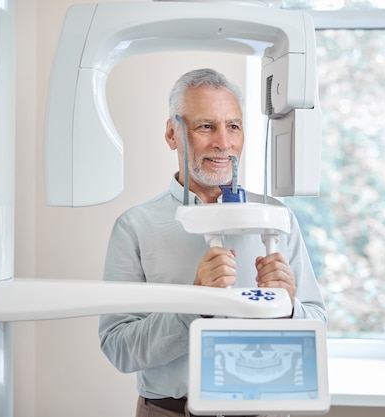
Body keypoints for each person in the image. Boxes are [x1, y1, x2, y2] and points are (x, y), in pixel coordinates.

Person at [98, 68, 327, 417]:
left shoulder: (275, 218)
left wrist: (289, 308)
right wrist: (194, 306)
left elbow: (317, 325)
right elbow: (119, 348)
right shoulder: (136, 226)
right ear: (172, 133)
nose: (224, 142)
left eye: (233, 126)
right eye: (206, 126)